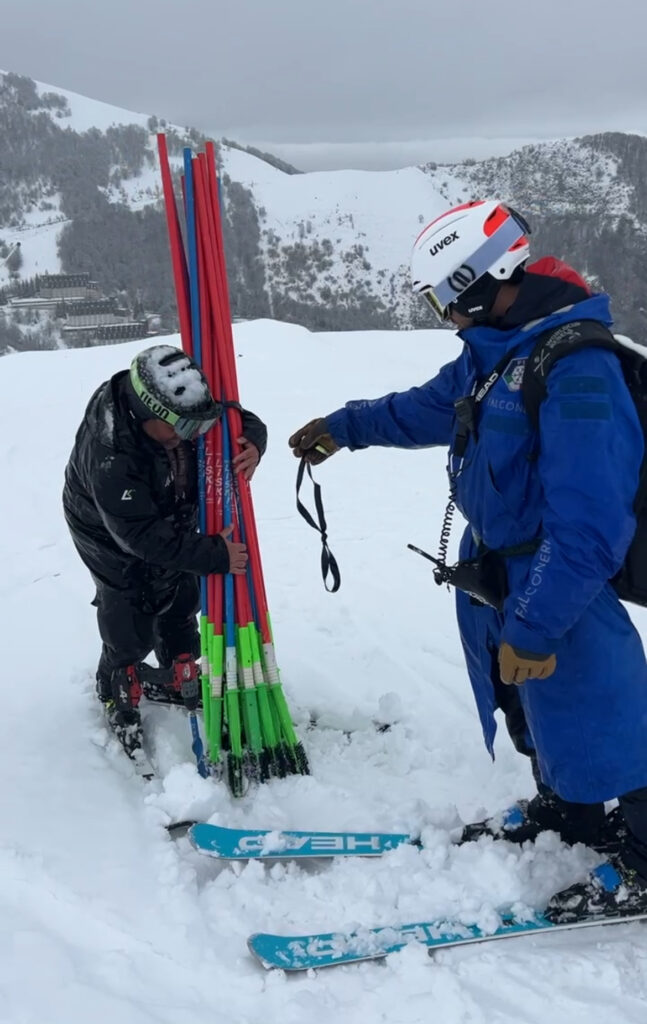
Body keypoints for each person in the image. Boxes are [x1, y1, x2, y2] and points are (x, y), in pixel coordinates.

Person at [288, 200, 647, 923]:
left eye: (441, 298)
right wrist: (344, 427)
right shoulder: (493, 352)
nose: (441, 314)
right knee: (530, 703)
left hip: (557, 576)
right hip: (498, 570)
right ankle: (571, 812)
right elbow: (423, 409)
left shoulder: (574, 366)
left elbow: (588, 524)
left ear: (479, 280)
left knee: (610, 713)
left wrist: (537, 622)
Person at [64, 343, 267, 764]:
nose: (189, 436)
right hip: (107, 529)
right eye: (177, 428)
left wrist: (254, 441)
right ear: (143, 414)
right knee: (129, 597)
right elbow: (139, 536)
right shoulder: (111, 453)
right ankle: (117, 677)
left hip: (167, 511)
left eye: (194, 426)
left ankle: (178, 663)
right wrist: (214, 553)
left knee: (180, 588)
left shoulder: (181, 411)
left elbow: (233, 417)